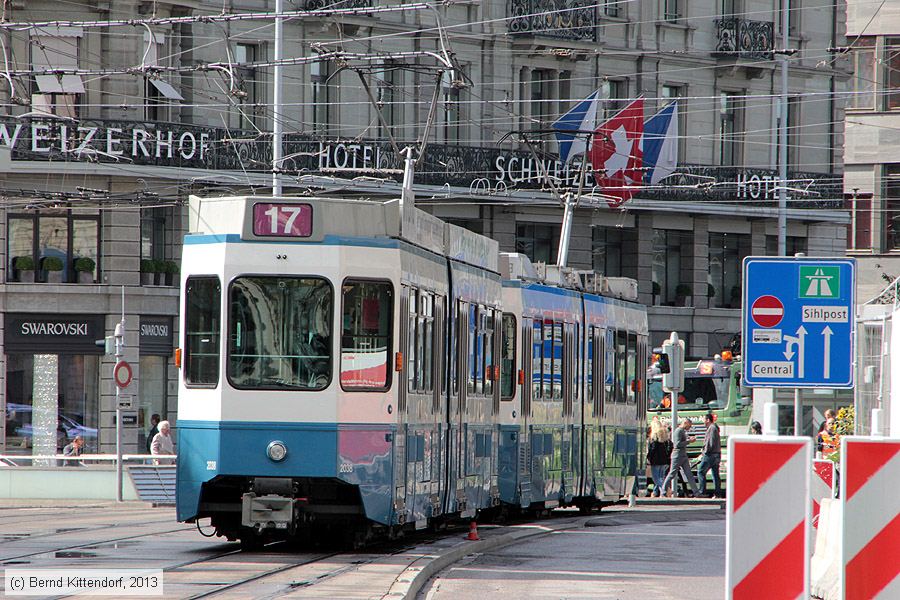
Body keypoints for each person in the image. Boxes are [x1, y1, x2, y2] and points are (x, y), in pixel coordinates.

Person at [661, 418, 699, 497]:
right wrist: (689, 441)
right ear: (685, 423)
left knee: (689, 474)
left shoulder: (682, 431)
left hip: (683, 455)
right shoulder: (678, 431)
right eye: (689, 425)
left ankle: (696, 493)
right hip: (677, 455)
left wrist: (688, 440)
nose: (690, 427)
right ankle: (663, 491)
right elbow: (677, 444)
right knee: (672, 474)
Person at [696, 412, 722, 498]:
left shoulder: (712, 428)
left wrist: (704, 452)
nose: (703, 421)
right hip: (716, 454)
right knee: (715, 474)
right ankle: (717, 493)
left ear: (708, 420)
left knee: (700, 471)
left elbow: (710, 443)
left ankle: (702, 491)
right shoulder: (714, 428)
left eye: (704, 419)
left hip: (710, 455)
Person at [646, 417, 673, 497]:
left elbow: (653, 449)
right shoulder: (664, 434)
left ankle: (666, 490)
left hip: (655, 460)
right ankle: (663, 492)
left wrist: (649, 457)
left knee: (656, 478)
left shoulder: (654, 435)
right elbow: (669, 446)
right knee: (661, 477)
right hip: (663, 460)